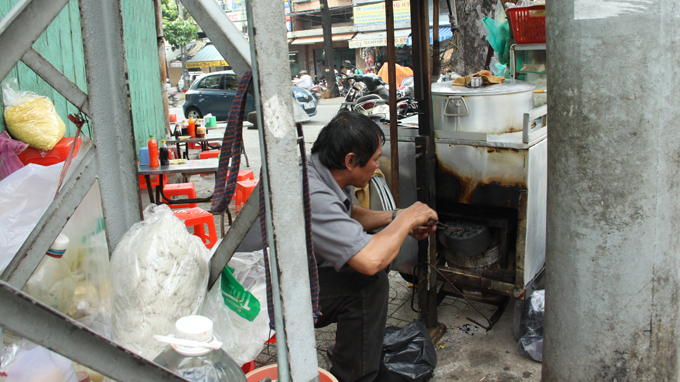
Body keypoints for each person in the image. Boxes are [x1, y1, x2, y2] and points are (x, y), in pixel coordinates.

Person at [309, 111, 438, 382]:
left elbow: (347, 215)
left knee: (367, 278)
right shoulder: (312, 192)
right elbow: (370, 260)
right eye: (376, 159)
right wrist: (408, 220)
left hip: (289, 272)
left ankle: (352, 361)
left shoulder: (323, 169)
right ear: (351, 161)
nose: (378, 166)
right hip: (266, 294)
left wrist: (397, 216)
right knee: (368, 283)